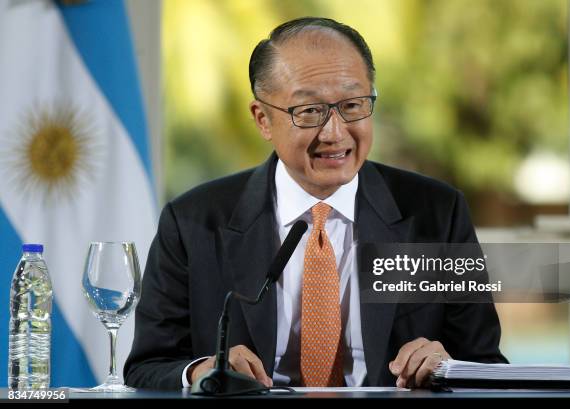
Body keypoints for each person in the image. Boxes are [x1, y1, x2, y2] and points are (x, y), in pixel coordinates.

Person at [124, 17, 507, 390]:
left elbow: (486, 363)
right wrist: (201, 371)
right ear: (262, 119)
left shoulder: (436, 214)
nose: (335, 132)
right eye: (309, 111)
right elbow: (148, 366)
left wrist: (446, 365)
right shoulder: (193, 222)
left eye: (353, 105)